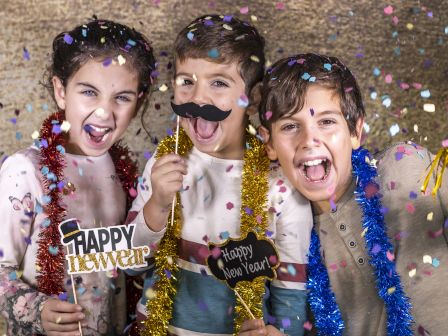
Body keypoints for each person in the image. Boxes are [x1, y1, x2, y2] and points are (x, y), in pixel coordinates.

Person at [127, 14, 313, 335]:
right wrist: (157, 205)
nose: (198, 98)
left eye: (219, 83)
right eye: (187, 81)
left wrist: (280, 333)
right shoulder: (165, 160)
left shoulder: (280, 186)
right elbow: (130, 264)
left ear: (252, 98)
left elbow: (290, 297)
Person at [249, 52, 447, 335]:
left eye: (326, 122)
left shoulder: (406, 168)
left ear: (355, 130)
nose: (309, 140)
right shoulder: (287, 242)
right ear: (269, 144)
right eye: (291, 126)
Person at [0, 19, 156, 335]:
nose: (103, 112)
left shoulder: (123, 173)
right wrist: (34, 309)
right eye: (88, 92)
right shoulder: (26, 171)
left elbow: (130, 262)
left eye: (122, 97)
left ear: (138, 101)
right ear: (61, 91)